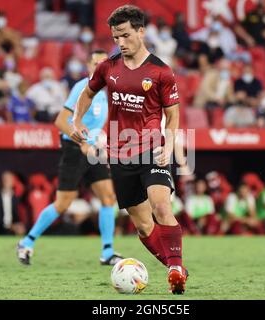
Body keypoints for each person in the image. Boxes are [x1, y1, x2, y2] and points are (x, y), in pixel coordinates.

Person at [69, 5, 187, 294]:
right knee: (144, 226)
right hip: (120, 154)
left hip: (152, 149)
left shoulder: (161, 71)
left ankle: (174, 270)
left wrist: (169, 144)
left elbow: (172, 115)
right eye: (115, 38)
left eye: (124, 35)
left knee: (161, 204)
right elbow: (87, 93)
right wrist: (76, 119)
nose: (120, 42)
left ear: (141, 31)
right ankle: (176, 267)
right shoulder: (108, 68)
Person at [18, 49, 124, 266]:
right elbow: (61, 121)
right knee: (63, 203)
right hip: (74, 149)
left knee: (107, 197)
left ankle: (107, 251)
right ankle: (27, 242)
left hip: (92, 149)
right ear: (88, 66)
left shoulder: (106, 92)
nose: (99, 67)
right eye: (95, 63)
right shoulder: (81, 88)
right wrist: (82, 142)